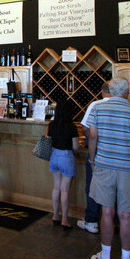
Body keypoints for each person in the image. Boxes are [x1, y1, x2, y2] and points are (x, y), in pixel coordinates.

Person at [87, 78, 130, 259]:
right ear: (126, 93)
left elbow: (92, 137)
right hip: (129, 167)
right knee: (125, 216)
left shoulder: (98, 109)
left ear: (110, 92)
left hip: (104, 165)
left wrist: (92, 159)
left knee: (106, 212)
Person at [77, 85, 112, 234]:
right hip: (117, 155)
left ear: (102, 91)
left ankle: (91, 221)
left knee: (92, 187)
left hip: (98, 153)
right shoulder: (128, 106)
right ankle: (112, 221)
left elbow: (86, 128)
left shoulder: (96, 104)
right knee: (113, 188)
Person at [47, 97, 79, 229]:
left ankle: (55, 215)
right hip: (66, 156)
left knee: (56, 187)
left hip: (54, 156)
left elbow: (48, 140)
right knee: (65, 189)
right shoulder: (71, 126)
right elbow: (76, 147)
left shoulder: (52, 124)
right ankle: (65, 219)